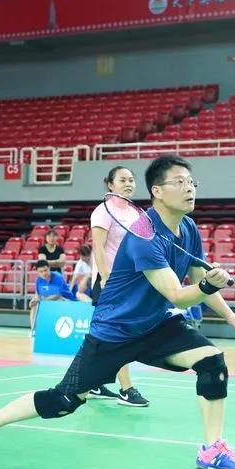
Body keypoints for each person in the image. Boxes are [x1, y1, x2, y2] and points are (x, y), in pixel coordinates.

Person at [0, 155, 235, 469]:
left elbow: (197, 274)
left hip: (156, 324)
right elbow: (177, 293)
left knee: (212, 362)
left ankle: (212, 450)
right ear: (157, 191)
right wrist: (207, 284)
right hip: (114, 331)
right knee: (63, 401)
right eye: (180, 182)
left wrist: (229, 314)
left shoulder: (188, 227)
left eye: (191, 182)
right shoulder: (143, 236)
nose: (190, 188)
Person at [88, 166, 149, 407]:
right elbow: (98, 247)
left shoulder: (135, 213)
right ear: (110, 184)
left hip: (130, 281)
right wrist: (106, 278)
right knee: (118, 333)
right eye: (122, 180)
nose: (128, 184)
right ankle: (127, 389)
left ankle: (93, 383)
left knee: (103, 335)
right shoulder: (103, 211)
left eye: (131, 180)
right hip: (110, 281)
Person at [29, 259, 76, 330]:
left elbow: (57, 295)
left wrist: (41, 301)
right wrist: (33, 301)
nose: (44, 273)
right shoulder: (38, 280)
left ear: (49, 268)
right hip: (48, 301)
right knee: (34, 306)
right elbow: (38, 294)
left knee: (59, 301)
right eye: (41, 272)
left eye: (45, 270)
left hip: (66, 300)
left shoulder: (58, 277)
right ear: (37, 272)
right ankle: (33, 330)